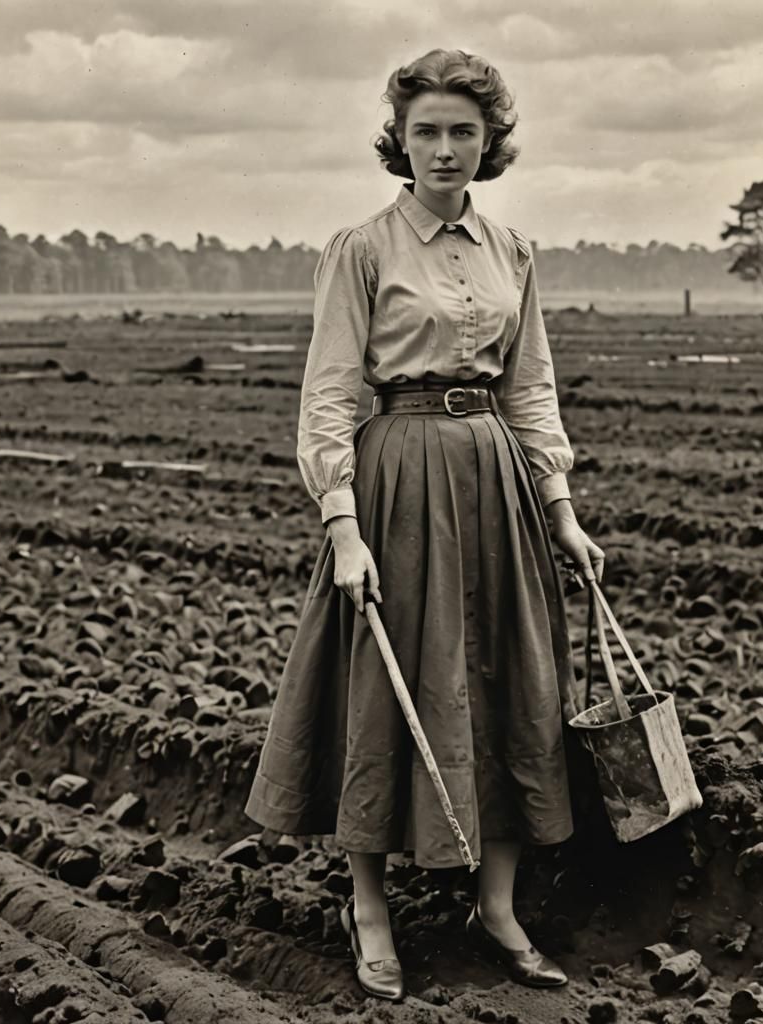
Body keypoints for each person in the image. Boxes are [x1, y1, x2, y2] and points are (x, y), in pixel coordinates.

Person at [243, 47, 604, 1002]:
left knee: (508, 681)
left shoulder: (514, 252)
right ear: (398, 143)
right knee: (384, 688)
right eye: (427, 132)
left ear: (491, 145)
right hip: (396, 477)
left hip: (496, 479)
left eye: (464, 133)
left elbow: (530, 391)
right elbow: (328, 398)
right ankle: (369, 908)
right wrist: (344, 528)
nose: (444, 149)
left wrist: (560, 510)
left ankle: (497, 907)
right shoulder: (360, 249)